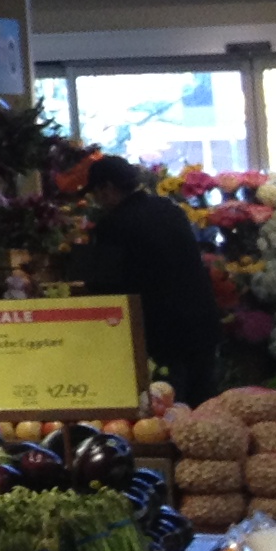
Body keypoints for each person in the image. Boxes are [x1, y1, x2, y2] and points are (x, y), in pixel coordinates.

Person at [69, 155, 219, 405]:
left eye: (95, 193)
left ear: (107, 188)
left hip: (161, 335)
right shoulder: (169, 209)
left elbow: (105, 287)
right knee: (203, 408)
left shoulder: (113, 225)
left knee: (168, 411)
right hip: (202, 325)